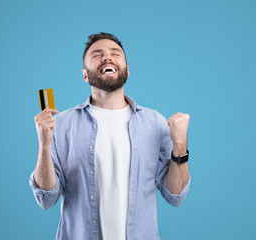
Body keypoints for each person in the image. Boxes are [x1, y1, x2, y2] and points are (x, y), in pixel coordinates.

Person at [29, 32, 191, 240]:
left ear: (127, 71)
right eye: (97, 54)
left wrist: (180, 146)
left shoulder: (155, 123)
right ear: (85, 75)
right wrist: (43, 145)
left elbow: (175, 195)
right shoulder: (62, 124)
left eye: (115, 53)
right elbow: (46, 199)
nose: (107, 57)